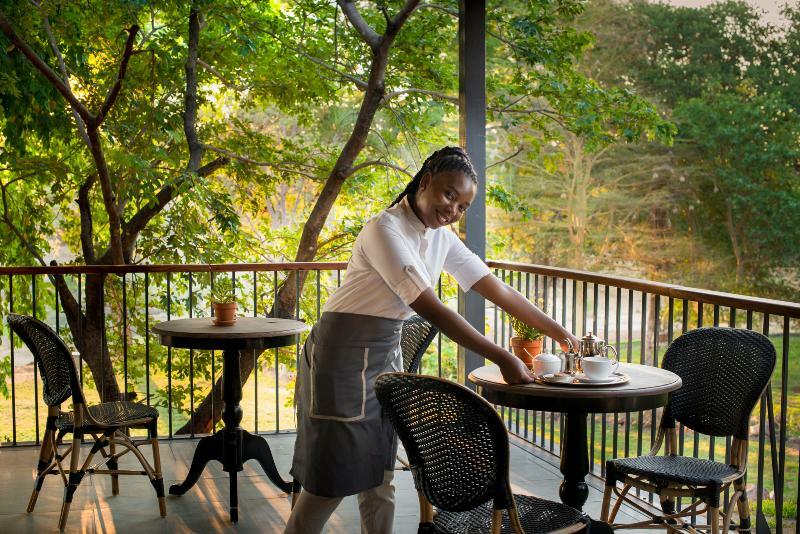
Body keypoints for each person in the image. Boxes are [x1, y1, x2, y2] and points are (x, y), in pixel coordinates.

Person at [284, 146, 579, 534]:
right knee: (331, 478)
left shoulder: (441, 237)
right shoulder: (384, 229)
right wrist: (503, 356)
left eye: (463, 205)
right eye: (449, 195)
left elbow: (497, 290)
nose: (453, 209)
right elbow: (432, 308)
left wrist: (556, 331)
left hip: (384, 353)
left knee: (380, 472)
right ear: (425, 182)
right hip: (342, 354)